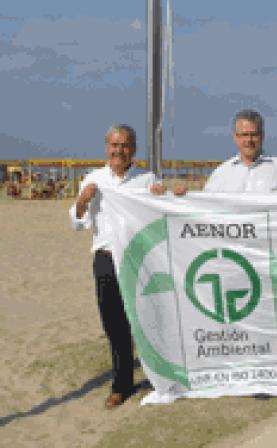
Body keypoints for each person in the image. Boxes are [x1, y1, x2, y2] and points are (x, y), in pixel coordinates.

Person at [69, 124, 165, 409]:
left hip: (138, 259)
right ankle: (121, 385)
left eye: (124, 145)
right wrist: (82, 201)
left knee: (148, 318)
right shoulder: (93, 179)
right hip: (106, 259)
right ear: (106, 147)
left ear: (133, 149)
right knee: (114, 324)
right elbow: (77, 223)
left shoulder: (146, 179)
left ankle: (161, 377)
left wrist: (165, 197)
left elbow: (162, 216)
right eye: (114, 145)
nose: (119, 150)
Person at [202, 109, 277, 195]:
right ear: (235, 137)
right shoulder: (222, 172)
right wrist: (187, 198)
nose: (249, 140)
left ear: (262, 136)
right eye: (244, 135)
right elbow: (204, 204)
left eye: (254, 135)